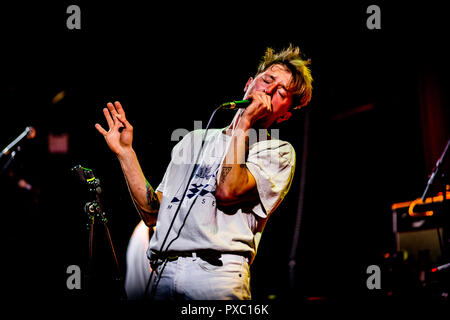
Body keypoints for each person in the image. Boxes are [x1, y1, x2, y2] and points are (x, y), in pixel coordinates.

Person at [95, 44, 313, 300]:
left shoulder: (277, 151)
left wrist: (244, 123)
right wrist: (126, 153)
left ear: (284, 116)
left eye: (281, 92)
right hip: (165, 271)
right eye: (267, 80)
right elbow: (153, 213)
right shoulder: (194, 140)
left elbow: (227, 190)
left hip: (216, 276)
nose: (269, 89)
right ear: (248, 84)